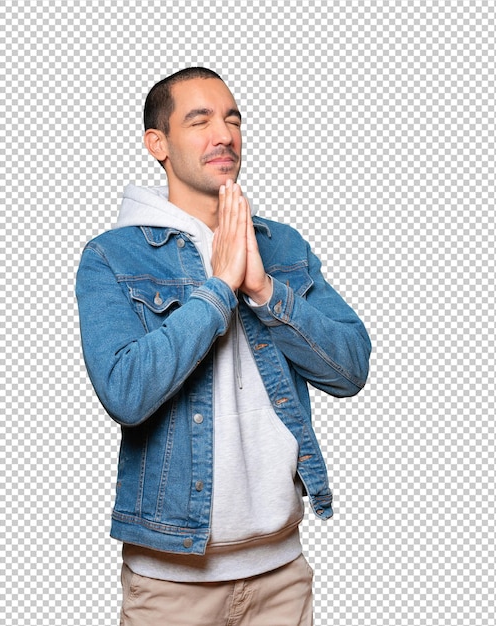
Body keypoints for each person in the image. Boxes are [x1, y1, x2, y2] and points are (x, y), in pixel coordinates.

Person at [76, 67, 371, 626]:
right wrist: (218, 292)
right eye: (200, 119)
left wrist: (263, 291)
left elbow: (351, 368)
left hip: (282, 576)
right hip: (171, 584)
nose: (224, 134)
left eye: (233, 118)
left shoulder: (282, 245)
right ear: (156, 144)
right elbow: (125, 391)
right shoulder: (112, 257)